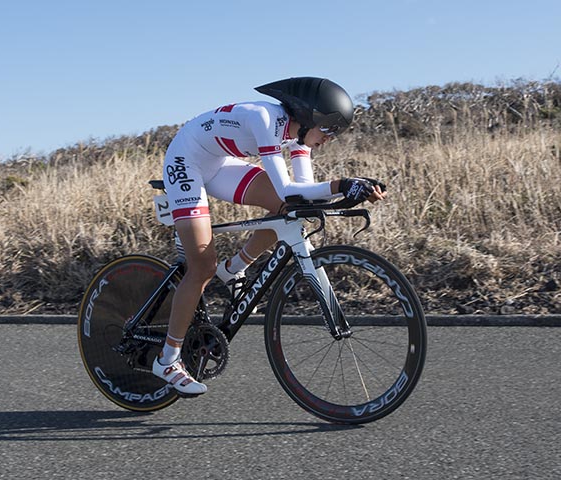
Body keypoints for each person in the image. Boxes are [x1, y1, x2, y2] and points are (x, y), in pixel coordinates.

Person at [152, 76, 386, 395]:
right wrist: (340, 184)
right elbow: (288, 187)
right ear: (307, 118)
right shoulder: (266, 120)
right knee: (202, 265)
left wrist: (354, 188)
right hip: (186, 159)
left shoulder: (300, 139)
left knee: (287, 210)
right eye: (329, 131)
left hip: (220, 163)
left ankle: (234, 268)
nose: (329, 140)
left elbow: (301, 198)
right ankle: (168, 359)